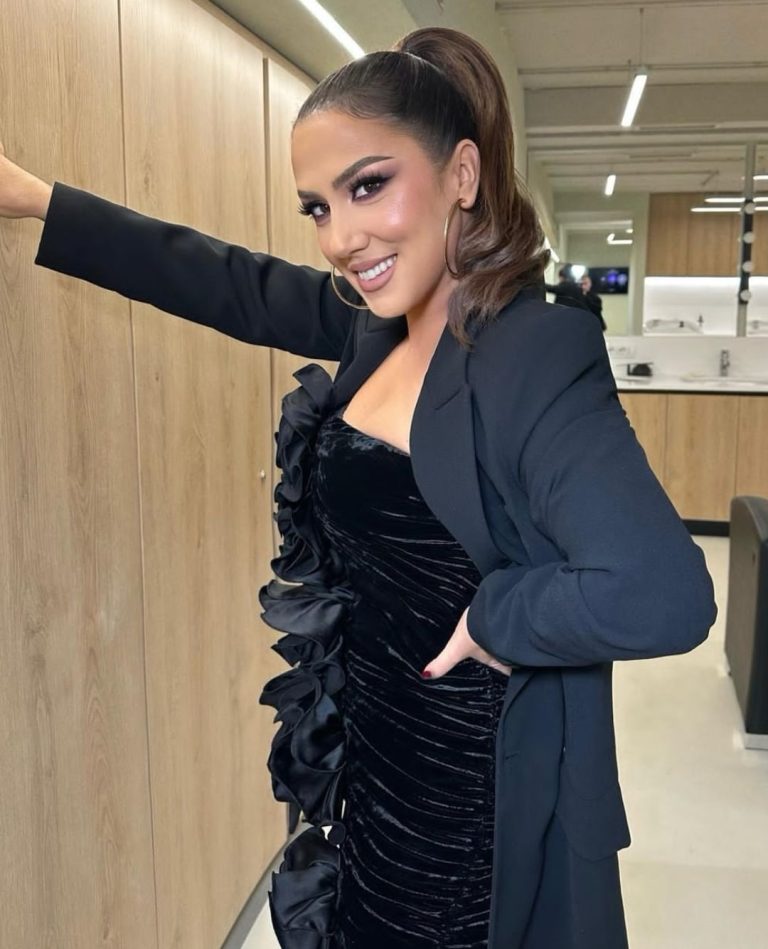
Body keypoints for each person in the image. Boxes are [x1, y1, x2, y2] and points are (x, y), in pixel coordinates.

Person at [0, 26, 717, 949]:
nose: (341, 237)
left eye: (368, 185)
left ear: (463, 175)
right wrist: (37, 200)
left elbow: (663, 591)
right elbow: (231, 282)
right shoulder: (377, 322)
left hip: (471, 808)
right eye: (318, 207)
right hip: (376, 769)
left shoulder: (534, 348)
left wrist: (499, 616)